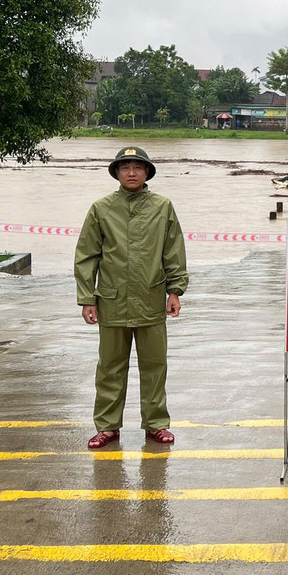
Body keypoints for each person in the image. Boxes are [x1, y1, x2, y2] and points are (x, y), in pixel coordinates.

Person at [75, 146, 189, 449]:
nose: (132, 173)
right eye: (125, 167)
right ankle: (108, 427)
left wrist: (174, 290)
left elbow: (173, 251)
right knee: (110, 367)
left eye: (138, 167)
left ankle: (156, 425)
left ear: (147, 172)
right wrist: (87, 298)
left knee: (155, 365)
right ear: (116, 173)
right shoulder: (101, 209)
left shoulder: (162, 207)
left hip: (150, 299)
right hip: (111, 301)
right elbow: (87, 256)